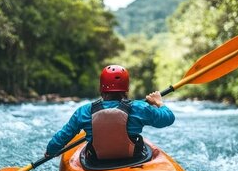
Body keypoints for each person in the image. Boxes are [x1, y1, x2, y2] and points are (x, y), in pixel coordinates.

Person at [45, 65, 175, 161]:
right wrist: (159, 102)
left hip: (97, 160)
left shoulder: (84, 111)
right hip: (133, 158)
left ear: (101, 87)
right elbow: (168, 118)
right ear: (126, 88)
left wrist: (50, 151)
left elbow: (63, 136)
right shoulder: (140, 108)